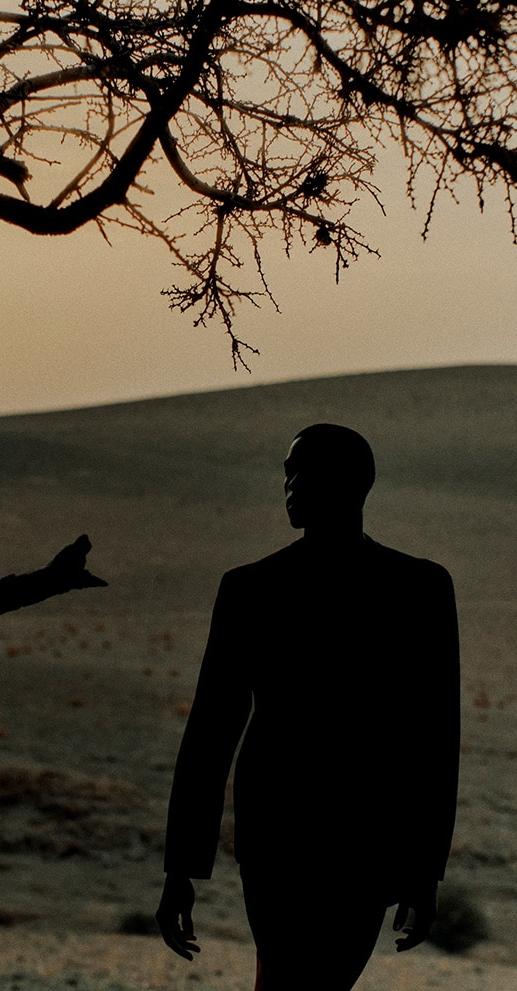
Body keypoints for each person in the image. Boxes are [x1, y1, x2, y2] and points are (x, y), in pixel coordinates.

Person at [155, 424, 460, 991]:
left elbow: (434, 739)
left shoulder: (420, 590)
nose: (290, 485)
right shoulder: (250, 588)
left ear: (356, 483)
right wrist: (180, 868)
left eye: (304, 471)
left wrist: (424, 873)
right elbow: (210, 731)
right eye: (286, 473)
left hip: (359, 839)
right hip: (281, 838)